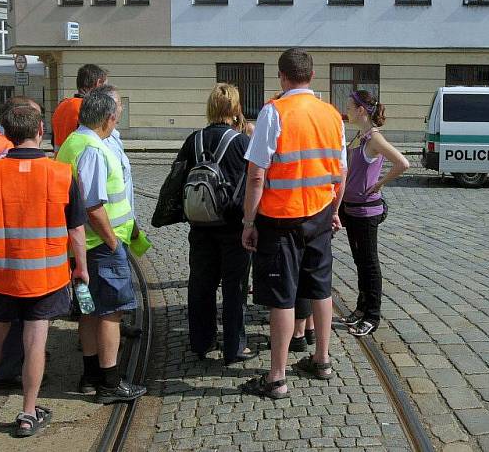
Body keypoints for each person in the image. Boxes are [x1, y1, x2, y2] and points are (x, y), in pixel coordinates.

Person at [0, 102, 88, 437]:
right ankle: (28, 413)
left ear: (8, 134)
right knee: (34, 342)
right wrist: (81, 269)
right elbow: (75, 231)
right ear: (40, 131)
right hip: (46, 278)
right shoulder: (60, 173)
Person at [239, 48, 347, 399]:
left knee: (282, 298)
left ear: (282, 76)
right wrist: (333, 210)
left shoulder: (274, 112)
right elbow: (341, 172)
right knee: (320, 288)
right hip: (318, 214)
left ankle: (276, 377)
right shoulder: (331, 115)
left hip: (281, 219)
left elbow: (257, 175)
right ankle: (322, 359)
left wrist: (248, 221)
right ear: (311, 77)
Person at [56, 87, 147, 404]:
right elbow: (94, 206)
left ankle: (91, 376)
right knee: (112, 313)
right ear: (109, 118)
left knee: (90, 312)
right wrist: (112, 241)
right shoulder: (93, 149)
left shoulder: (73, 142)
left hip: (85, 246)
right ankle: (110, 382)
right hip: (100, 246)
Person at [174, 83, 255, 365]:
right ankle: (235, 346)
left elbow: (178, 180)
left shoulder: (192, 140)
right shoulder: (242, 142)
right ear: (235, 110)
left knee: (200, 284)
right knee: (235, 288)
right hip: (233, 226)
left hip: (200, 224)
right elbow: (252, 183)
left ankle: (202, 341)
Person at [0, 97, 41, 390]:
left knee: (6, 326)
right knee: (16, 326)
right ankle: (12, 371)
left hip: (1, 256)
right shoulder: (0, 152)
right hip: (11, 255)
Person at [338, 90, 409, 337]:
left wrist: (380, 183)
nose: (346, 110)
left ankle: (372, 315)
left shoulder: (374, 139)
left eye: (349, 106)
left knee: (369, 263)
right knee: (360, 261)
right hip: (351, 208)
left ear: (361, 111)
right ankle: (361, 307)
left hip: (367, 211)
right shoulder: (359, 135)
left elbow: (402, 163)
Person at [52, 64, 107, 154]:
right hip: (79, 161)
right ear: (98, 83)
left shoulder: (62, 105)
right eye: (105, 86)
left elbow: (53, 139)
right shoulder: (89, 107)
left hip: (60, 160)